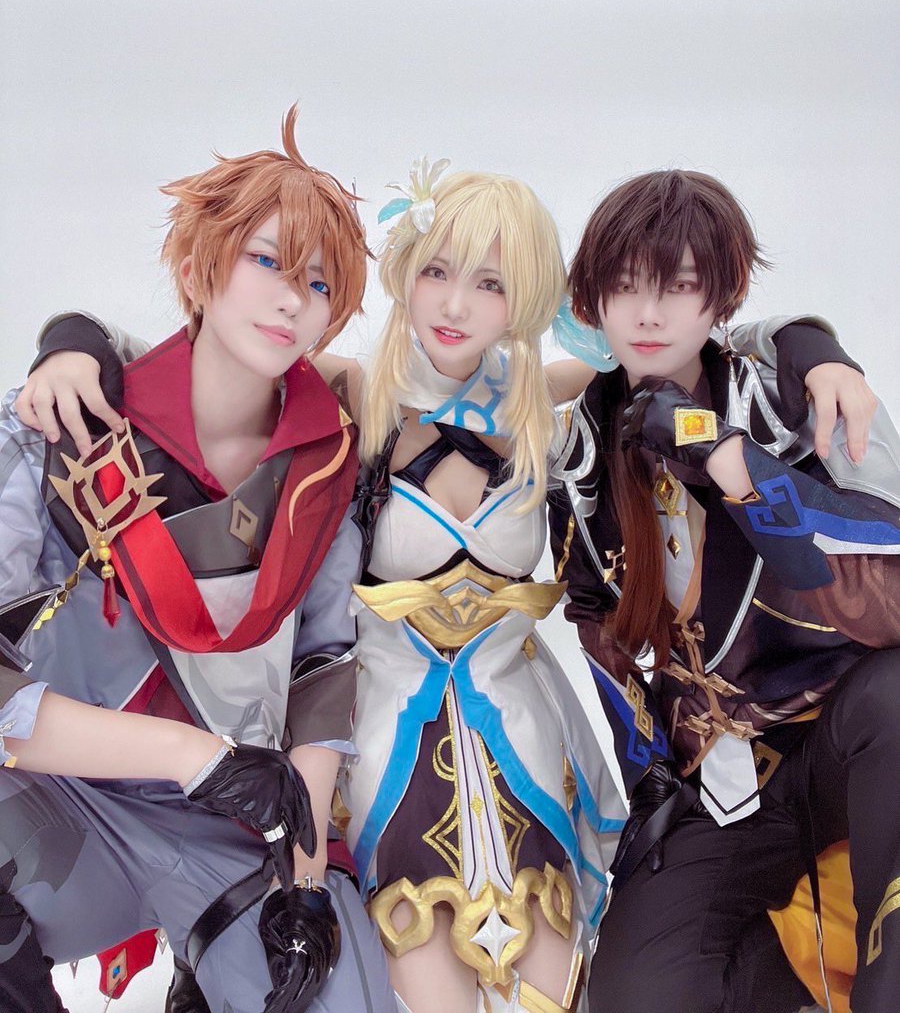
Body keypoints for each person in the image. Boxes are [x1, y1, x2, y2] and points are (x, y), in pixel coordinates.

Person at [19, 160, 876, 1013]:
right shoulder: (356, 394)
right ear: (406, 274)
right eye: (437, 272)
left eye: (490, 283)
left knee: (552, 973)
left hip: (518, 710)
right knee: (419, 964)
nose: (456, 306)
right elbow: (193, 351)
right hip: (386, 715)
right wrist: (72, 339)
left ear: (522, 299)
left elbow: (689, 340)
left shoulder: (551, 404)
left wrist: (811, 344)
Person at [0, 108, 395, 1013]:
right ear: (195, 269)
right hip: (65, 804)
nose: (293, 299)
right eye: (268, 261)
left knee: (334, 993)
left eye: (320, 283)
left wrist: (302, 884)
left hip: (234, 822)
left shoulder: (327, 466)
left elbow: (323, 674)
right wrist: (193, 755)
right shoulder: (61, 430)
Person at [547, 169, 900, 1013]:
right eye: (624, 286)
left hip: (846, 742)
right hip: (720, 781)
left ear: (722, 294)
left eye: (677, 287)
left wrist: (731, 463)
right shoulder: (580, 454)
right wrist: (651, 782)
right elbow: (596, 627)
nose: (648, 314)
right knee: (636, 993)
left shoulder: (796, 400)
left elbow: (886, 603)